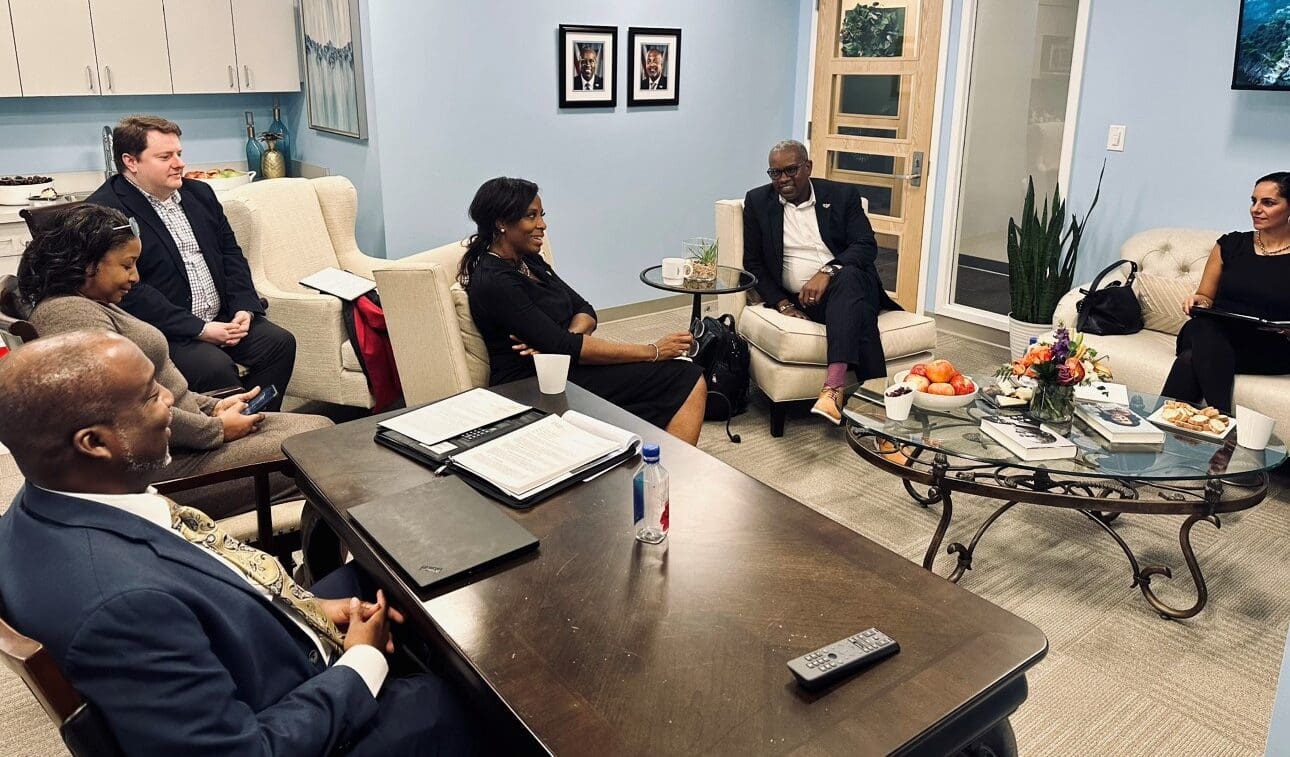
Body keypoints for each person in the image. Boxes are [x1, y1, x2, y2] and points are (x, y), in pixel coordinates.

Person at [0, 330, 470, 755]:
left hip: (240, 647)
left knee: (390, 568)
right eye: (149, 397)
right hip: (291, 712)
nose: (170, 401)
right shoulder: (121, 605)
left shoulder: (40, 510)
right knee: (478, 696)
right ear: (94, 443)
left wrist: (309, 608)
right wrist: (362, 661)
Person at [16, 203, 330, 519]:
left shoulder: (90, 304)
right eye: (127, 266)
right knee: (322, 453)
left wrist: (212, 406)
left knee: (324, 432)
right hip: (169, 465)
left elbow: (157, 390)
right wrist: (216, 429)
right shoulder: (69, 316)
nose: (135, 277)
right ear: (87, 265)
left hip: (185, 437)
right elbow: (123, 413)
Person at [460, 177, 707, 444]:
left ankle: (655, 464)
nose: (542, 225)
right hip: (533, 383)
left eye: (541, 215)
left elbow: (585, 310)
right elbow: (568, 346)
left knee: (680, 374)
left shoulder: (528, 260)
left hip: (563, 365)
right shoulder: (494, 280)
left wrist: (561, 339)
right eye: (531, 216)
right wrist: (653, 351)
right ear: (501, 223)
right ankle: (673, 473)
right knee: (686, 377)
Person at [87, 115, 295, 410]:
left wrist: (243, 308)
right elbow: (128, 290)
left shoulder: (200, 194)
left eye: (179, 154)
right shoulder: (107, 210)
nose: (179, 163)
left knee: (279, 343)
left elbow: (230, 255)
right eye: (165, 156)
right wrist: (199, 328)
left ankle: (258, 426)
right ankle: (222, 441)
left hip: (223, 317)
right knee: (215, 367)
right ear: (131, 162)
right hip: (168, 332)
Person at [742, 139, 900, 424]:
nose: (783, 179)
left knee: (849, 276)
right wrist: (781, 304)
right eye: (775, 173)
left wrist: (827, 272)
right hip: (805, 300)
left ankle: (834, 387)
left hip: (850, 283)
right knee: (858, 310)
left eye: (791, 170)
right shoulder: (757, 202)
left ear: (808, 167)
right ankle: (874, 401)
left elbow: (866, 245)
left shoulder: (841, 195)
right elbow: (752, 263)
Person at [1162, 171, 1290, 413]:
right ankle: (1223, 420)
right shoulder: (1229, 245)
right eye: (1254, 201)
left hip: (1271, 347)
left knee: (1189, 360)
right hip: (1215, 333)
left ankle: (1158, 433)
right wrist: (1197, 301)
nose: (1256, 209)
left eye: (1268, 203)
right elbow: (1206, 297)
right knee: (1202, 327)